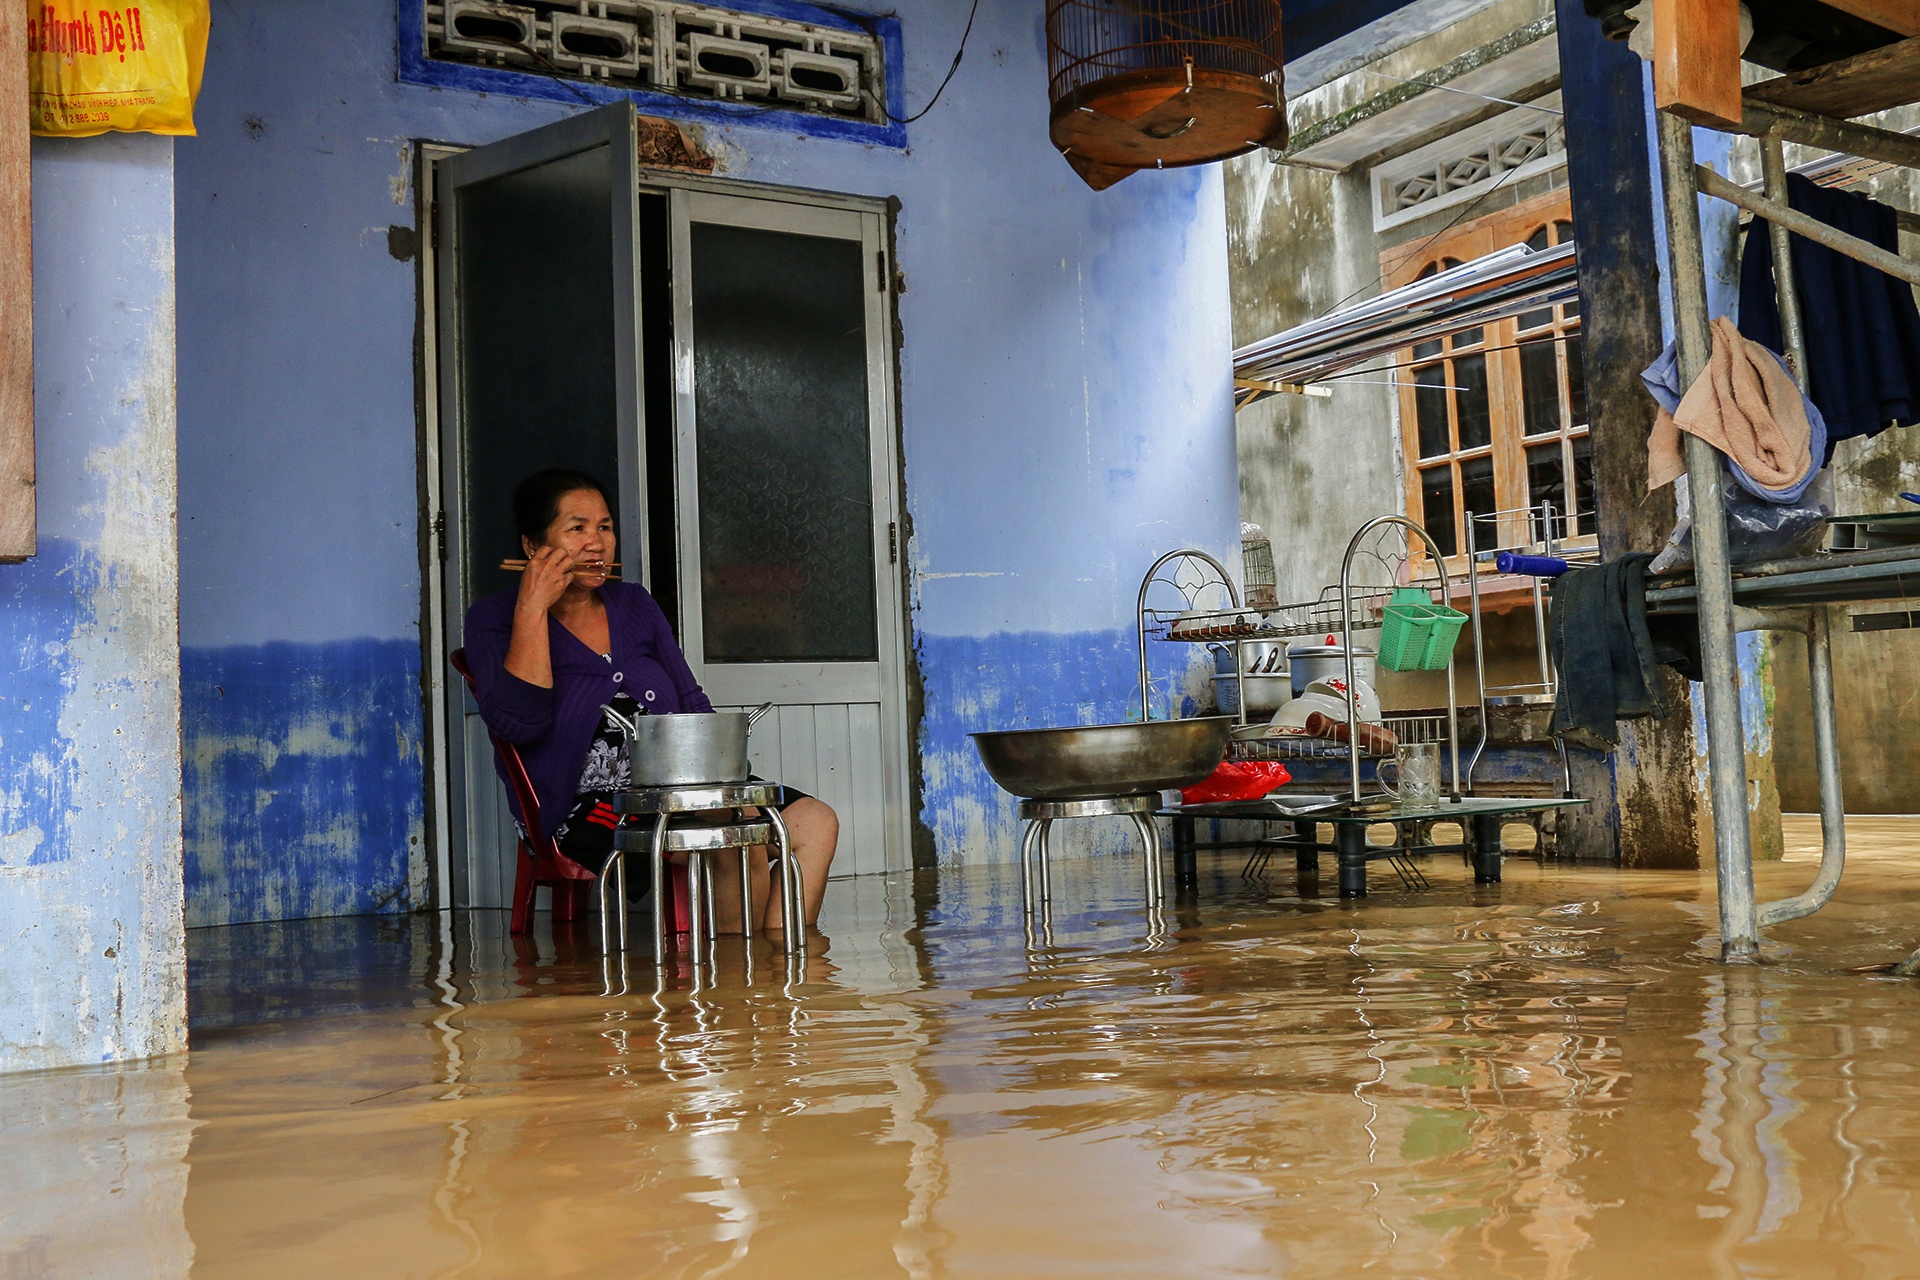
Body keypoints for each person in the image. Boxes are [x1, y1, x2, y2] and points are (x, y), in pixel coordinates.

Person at [463, 468, 836, 933]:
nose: (596, 543)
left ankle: (774, 963)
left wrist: (719, 778)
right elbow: (519, 724)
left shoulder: (634, 603)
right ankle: (746, 981)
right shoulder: (494, 618)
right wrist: (532, 608)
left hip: (679, 782)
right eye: (577, 528)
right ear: (533, 548)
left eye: (605, 527)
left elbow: (689, 698)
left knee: (816, 822)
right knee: (736, 836)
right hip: (591, 806)